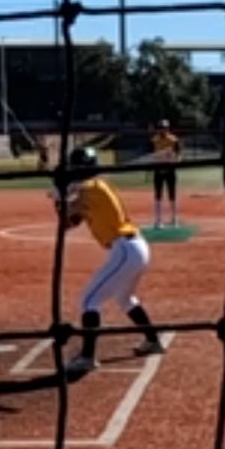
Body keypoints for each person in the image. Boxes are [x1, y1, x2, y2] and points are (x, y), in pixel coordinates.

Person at [59, 147, 165, 377]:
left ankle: (87, 358)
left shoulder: (92, 187)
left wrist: (61, 190)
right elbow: (68, 222)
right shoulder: (92, 189)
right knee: (124, 298)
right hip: (133, 247)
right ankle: (152, 340)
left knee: (89, 299)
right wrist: (60, 199)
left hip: (125, 248)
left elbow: (75, 196)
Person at [149, 119, 180, 227]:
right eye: (161, 128)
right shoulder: (154, 140)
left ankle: (174, 218)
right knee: (158, 195)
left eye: (165, 128)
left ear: (168, 128)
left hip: (170, 169)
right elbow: (151, 154)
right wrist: (159, 157)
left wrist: (174, 160)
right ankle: (158, 220)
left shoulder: (173, 140)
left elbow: (178, 154)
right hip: (158, 170)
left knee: (172, 194)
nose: (163, 130)